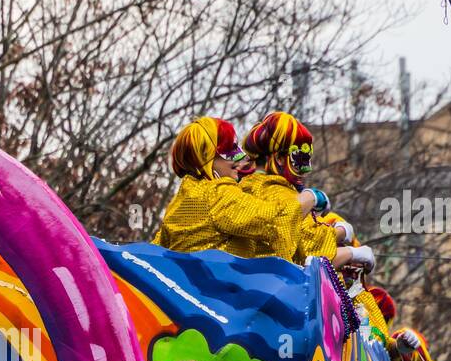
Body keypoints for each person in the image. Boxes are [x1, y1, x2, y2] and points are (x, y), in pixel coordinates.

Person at [151, 116, 318, 257]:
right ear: (206, 156)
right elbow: (275, 220)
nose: (239, 159)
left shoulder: (179, 201)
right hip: (217, 292)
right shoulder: (219, 194)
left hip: (185, 289)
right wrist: (311, 197)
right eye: (229, 151)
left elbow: (158, 251)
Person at [240, 111, 375, 271]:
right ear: (280, 158)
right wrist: (344, 236)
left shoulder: (241, 187)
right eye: (299, 160)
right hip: (275, 284)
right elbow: (310, 248)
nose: (304, 170)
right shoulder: (280, 193)